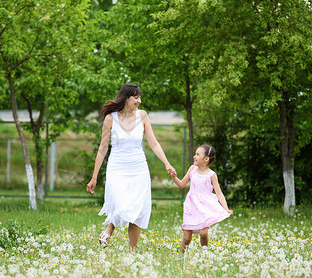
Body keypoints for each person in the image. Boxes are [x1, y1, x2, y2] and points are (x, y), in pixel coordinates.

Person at [86, 83, 176, 249]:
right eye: (136, 97)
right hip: (117, 168)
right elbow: (102, 148)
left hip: (139, 168)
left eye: (140, 97)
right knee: (121, 202)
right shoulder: (110, 119)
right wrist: (94, 177)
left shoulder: (142, 116)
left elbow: (154, 143)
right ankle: (109, 229)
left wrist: (167, 164)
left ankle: (132, 251)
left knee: (138, 208)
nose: (139, 101)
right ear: (126, 98)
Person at [170, 144, 233, 253]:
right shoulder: (192, 169)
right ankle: (180, 255)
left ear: (206, 159)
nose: (194, 156)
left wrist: (226, 208)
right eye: (195, 154)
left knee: (203, 233)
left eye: (197, 154)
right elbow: (181, 184)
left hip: (204, 207)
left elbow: (219, 193)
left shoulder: (212, 175)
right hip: (191, 206)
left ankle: (204, 252)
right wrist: (174, 177)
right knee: (187, 238)